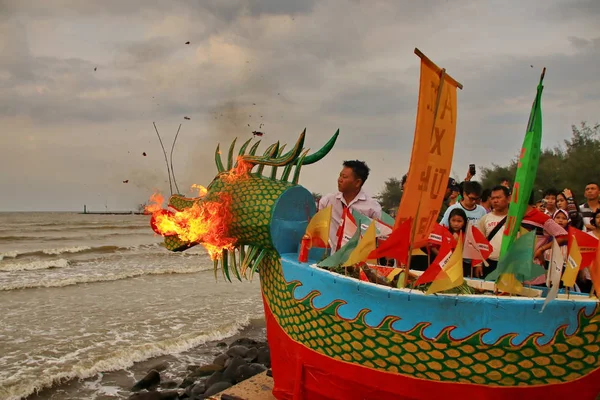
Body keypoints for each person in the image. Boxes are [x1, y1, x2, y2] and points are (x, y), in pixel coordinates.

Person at [319, 160, 381, 251]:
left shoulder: (372, 208)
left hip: (355, 261)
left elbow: (376, 237)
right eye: (340, 175)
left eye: (344, 177)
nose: (339, 180)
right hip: (329, 258)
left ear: (357, 182)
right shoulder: (327, 201)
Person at [475, 185, 510, 277]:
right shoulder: (485, 219)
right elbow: (478, 243)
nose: (495, 201)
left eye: (498, 197)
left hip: (509, 265)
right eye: (493, 198)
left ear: (508, 199)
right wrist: (478, 264)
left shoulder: (515, 219)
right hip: (489, 263)